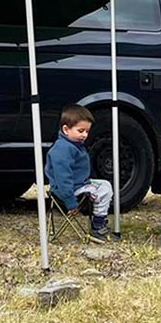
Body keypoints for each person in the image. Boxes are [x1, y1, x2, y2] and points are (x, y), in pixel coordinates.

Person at [44, 103, 113, 241]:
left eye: (87, 131)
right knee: (103, 190)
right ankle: (97, 226)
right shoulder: (63, 150)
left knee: (105, 185)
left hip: (79, 184)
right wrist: (70, 202)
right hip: (68, 190)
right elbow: (63, 179)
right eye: (80, 131)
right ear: (66, 129)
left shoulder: (73, 145)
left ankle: (99, 219)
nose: (85, 135)